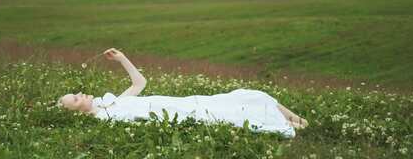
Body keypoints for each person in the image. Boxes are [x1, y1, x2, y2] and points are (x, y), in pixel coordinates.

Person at [58, 48, 309, 138]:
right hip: (177, 112)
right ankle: (298, 125)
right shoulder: (105, 117)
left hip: (179, 102)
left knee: (247, 95)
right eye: (76, 98)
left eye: (77, 93)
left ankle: (298, 120)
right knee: (234, 110)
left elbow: (139, 84)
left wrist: (123, 59)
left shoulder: (108, 104)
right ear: (78, 113)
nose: (81, 93)